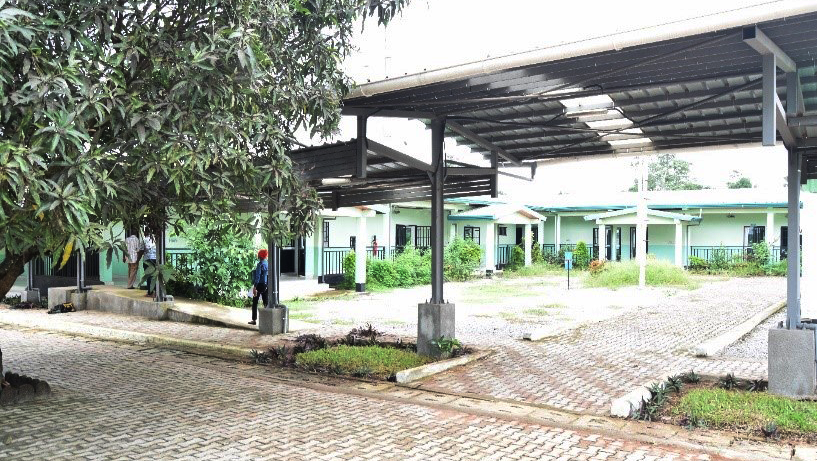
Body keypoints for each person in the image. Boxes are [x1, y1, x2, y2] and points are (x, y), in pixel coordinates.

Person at [249, 249, 269, 325]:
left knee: (255, 302)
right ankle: (268, 320)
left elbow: (257, 277)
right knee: (266, 302)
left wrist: (255, 287)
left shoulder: (260, 264)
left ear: (260, 256)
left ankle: (254, 320)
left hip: (259, 285)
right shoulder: (267, 263)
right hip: (266, 284)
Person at [139, 233, 157, 297]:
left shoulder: (144, 240)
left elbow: (141, 251)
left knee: (149, 276)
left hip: (148, 260)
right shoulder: (157, 239)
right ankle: (156, 292)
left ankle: (150, 292)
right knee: (155, 276)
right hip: (156, 260)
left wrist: (138, 259)